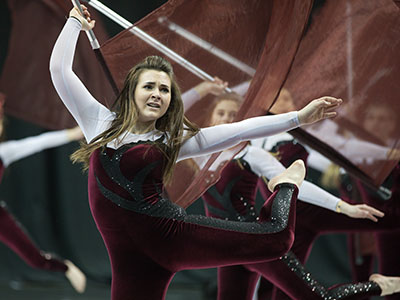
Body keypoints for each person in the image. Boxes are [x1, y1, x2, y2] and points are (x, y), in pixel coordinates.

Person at [50, 6, 344, 300]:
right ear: (131, 92)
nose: (156, 93)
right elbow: (60, 71)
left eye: (164, 90)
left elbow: (240, 130)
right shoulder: (99, 122)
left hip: (173, 238)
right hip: (129, 258)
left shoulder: (172, 141)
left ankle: (287, 183)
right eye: (149, 86)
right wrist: (75, 24)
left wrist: (297, 118)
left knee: (277, 239)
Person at [180, 86, 400, 300]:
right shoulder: (200, 152)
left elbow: (297, 184)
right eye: (221, 113)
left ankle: (379, 286)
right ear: (210, 118)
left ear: (242, 119)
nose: (227, 118)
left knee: (316, 296)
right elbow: (173, 117)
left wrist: (343, 207)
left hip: (257, 242)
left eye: (233, 114)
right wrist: (203, 89)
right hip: (228, 248)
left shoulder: (253, 153)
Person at [0, 98, 86, 293]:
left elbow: (37, 142)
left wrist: (71, 134)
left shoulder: (4, 152)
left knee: (35, 260)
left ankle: (66, 267)